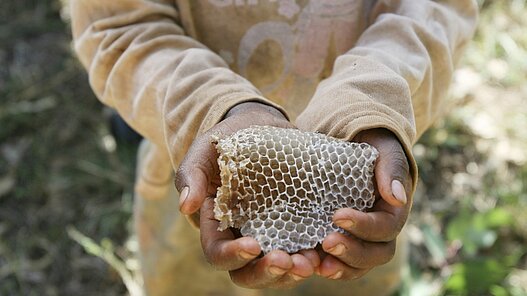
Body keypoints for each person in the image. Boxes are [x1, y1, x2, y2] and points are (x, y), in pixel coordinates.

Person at [70, 1, 477, 295]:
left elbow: (436, 10)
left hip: (357, 198)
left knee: (346, 273)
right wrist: (212, 107)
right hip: (205, 177)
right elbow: (116, 24)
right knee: (191, 280)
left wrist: (369, 99)